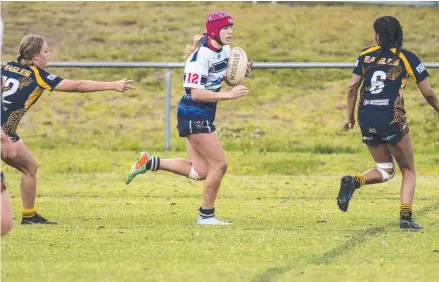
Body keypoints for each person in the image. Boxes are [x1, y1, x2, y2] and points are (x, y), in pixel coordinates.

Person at [125, 11, 251, 225]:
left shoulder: (226, 50)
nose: (230, 31)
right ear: (214, 31)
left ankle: (149, 162)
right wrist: (228, 95)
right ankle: (206, 215)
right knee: (220, 164)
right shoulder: (199, 57)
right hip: (193, 112)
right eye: (225, 28)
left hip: (203, 113)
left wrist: (241, 70)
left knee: (200, 171)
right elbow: (196, 92)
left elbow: (226, 73)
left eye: (231, 27)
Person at [1, 34, 136, 224]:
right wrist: (112, 85)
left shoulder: (5, 67)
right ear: (34, 56)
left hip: (7, 133)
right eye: (46, 51)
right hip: (3, 134)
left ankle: (30, 216)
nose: (49, 55)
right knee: (27, 168)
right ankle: (27, 216)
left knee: (29, 166)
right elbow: (78, 86)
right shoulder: (38, 75)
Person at [337, 16, 439, 230]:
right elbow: (428, 93)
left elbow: (352, 88)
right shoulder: (407, 57)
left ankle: (354, 181)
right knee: (408, 170)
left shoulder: (366, 56)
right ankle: (406, 218)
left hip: (366, 115)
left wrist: (349, 117)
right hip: (392, 117)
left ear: (378, 35)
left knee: (385, 169)